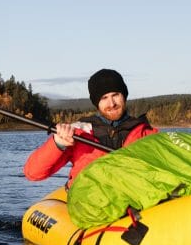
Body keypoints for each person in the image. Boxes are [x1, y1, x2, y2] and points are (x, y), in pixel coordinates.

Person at [24, 68, 157, 187]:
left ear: (124, 96)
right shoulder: (79, 133)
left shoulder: (146, 134)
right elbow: (33, 173)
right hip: (89, 204)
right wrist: (57, 144)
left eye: (115, 95)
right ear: (96, 103)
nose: (111, 103)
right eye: (104, 98)